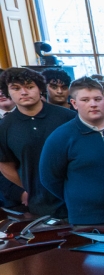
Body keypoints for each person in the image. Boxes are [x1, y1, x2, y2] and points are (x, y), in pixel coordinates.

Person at [39, 78, 104, 225]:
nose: (93, 104)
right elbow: (49, 178)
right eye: (85, 100)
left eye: (97, 99)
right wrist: (78, 196)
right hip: (86, 219)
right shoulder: (61, 137)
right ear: (74, 104)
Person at [0, 68, 75, 217]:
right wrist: (28, 186)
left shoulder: (68, 117)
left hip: (76, 197)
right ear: (8, 92)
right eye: (16, 88)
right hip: (40, 204)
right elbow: (5, 164)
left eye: (29, 87)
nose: (24, 92)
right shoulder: (5, 126)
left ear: (40, 88)